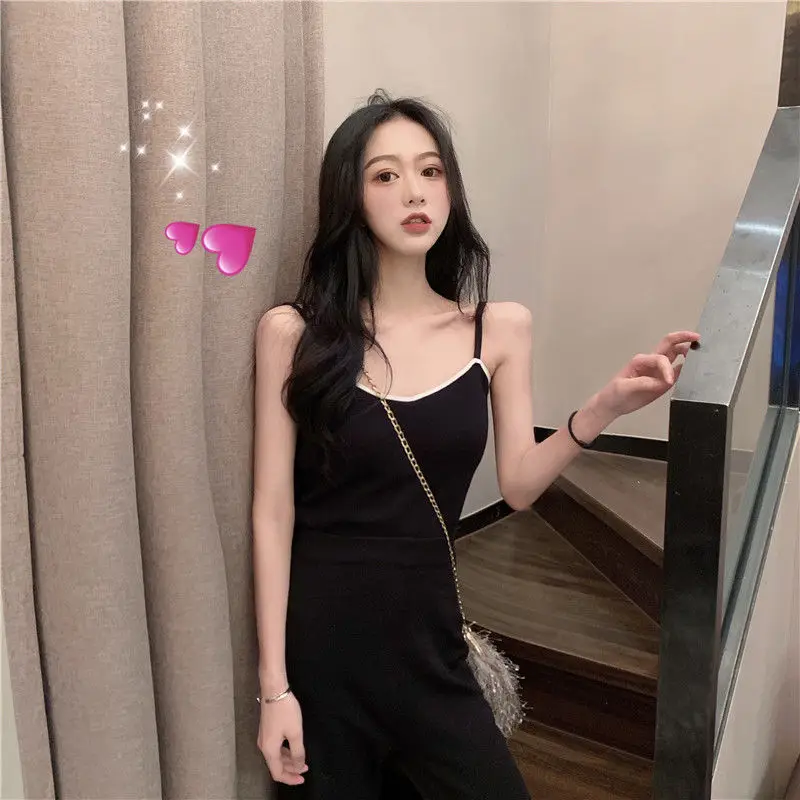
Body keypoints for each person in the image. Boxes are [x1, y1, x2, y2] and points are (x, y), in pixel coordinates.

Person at [252, 89, 699, 800]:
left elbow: (517, 485)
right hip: (324, 650)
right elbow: (273, 512)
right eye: (385, 175)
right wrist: (275, 688)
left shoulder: (499, 328)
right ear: (350, 200)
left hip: (430, 643)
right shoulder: (294, 334)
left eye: (430, 171)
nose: (415, 192)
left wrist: (606, 406)